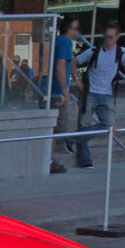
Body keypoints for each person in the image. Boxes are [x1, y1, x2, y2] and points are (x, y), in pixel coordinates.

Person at [72, 21, 125, 169]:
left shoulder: (122, 52)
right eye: (105, 37)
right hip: (90, 93)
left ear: (117, 37)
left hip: (106, 94)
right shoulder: (94, 50)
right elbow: (74, 62)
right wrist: (78, 81)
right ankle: (85, 160)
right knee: (84, 124)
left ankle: (72, 138)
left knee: (108, 125)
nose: (107, 40)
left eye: (111, 37)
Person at [48, 16, 80, 173]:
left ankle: (49, 159)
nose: (77, 32)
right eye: (76, 28)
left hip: (48, 89)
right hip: (56, 91)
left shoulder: (53, 41)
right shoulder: (65, 42)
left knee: (53, 126)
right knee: (57, 127)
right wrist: (65, 90)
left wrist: (78, 81)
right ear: (70, 29)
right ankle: (49, 161)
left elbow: (70, 64)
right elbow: (61, 65)